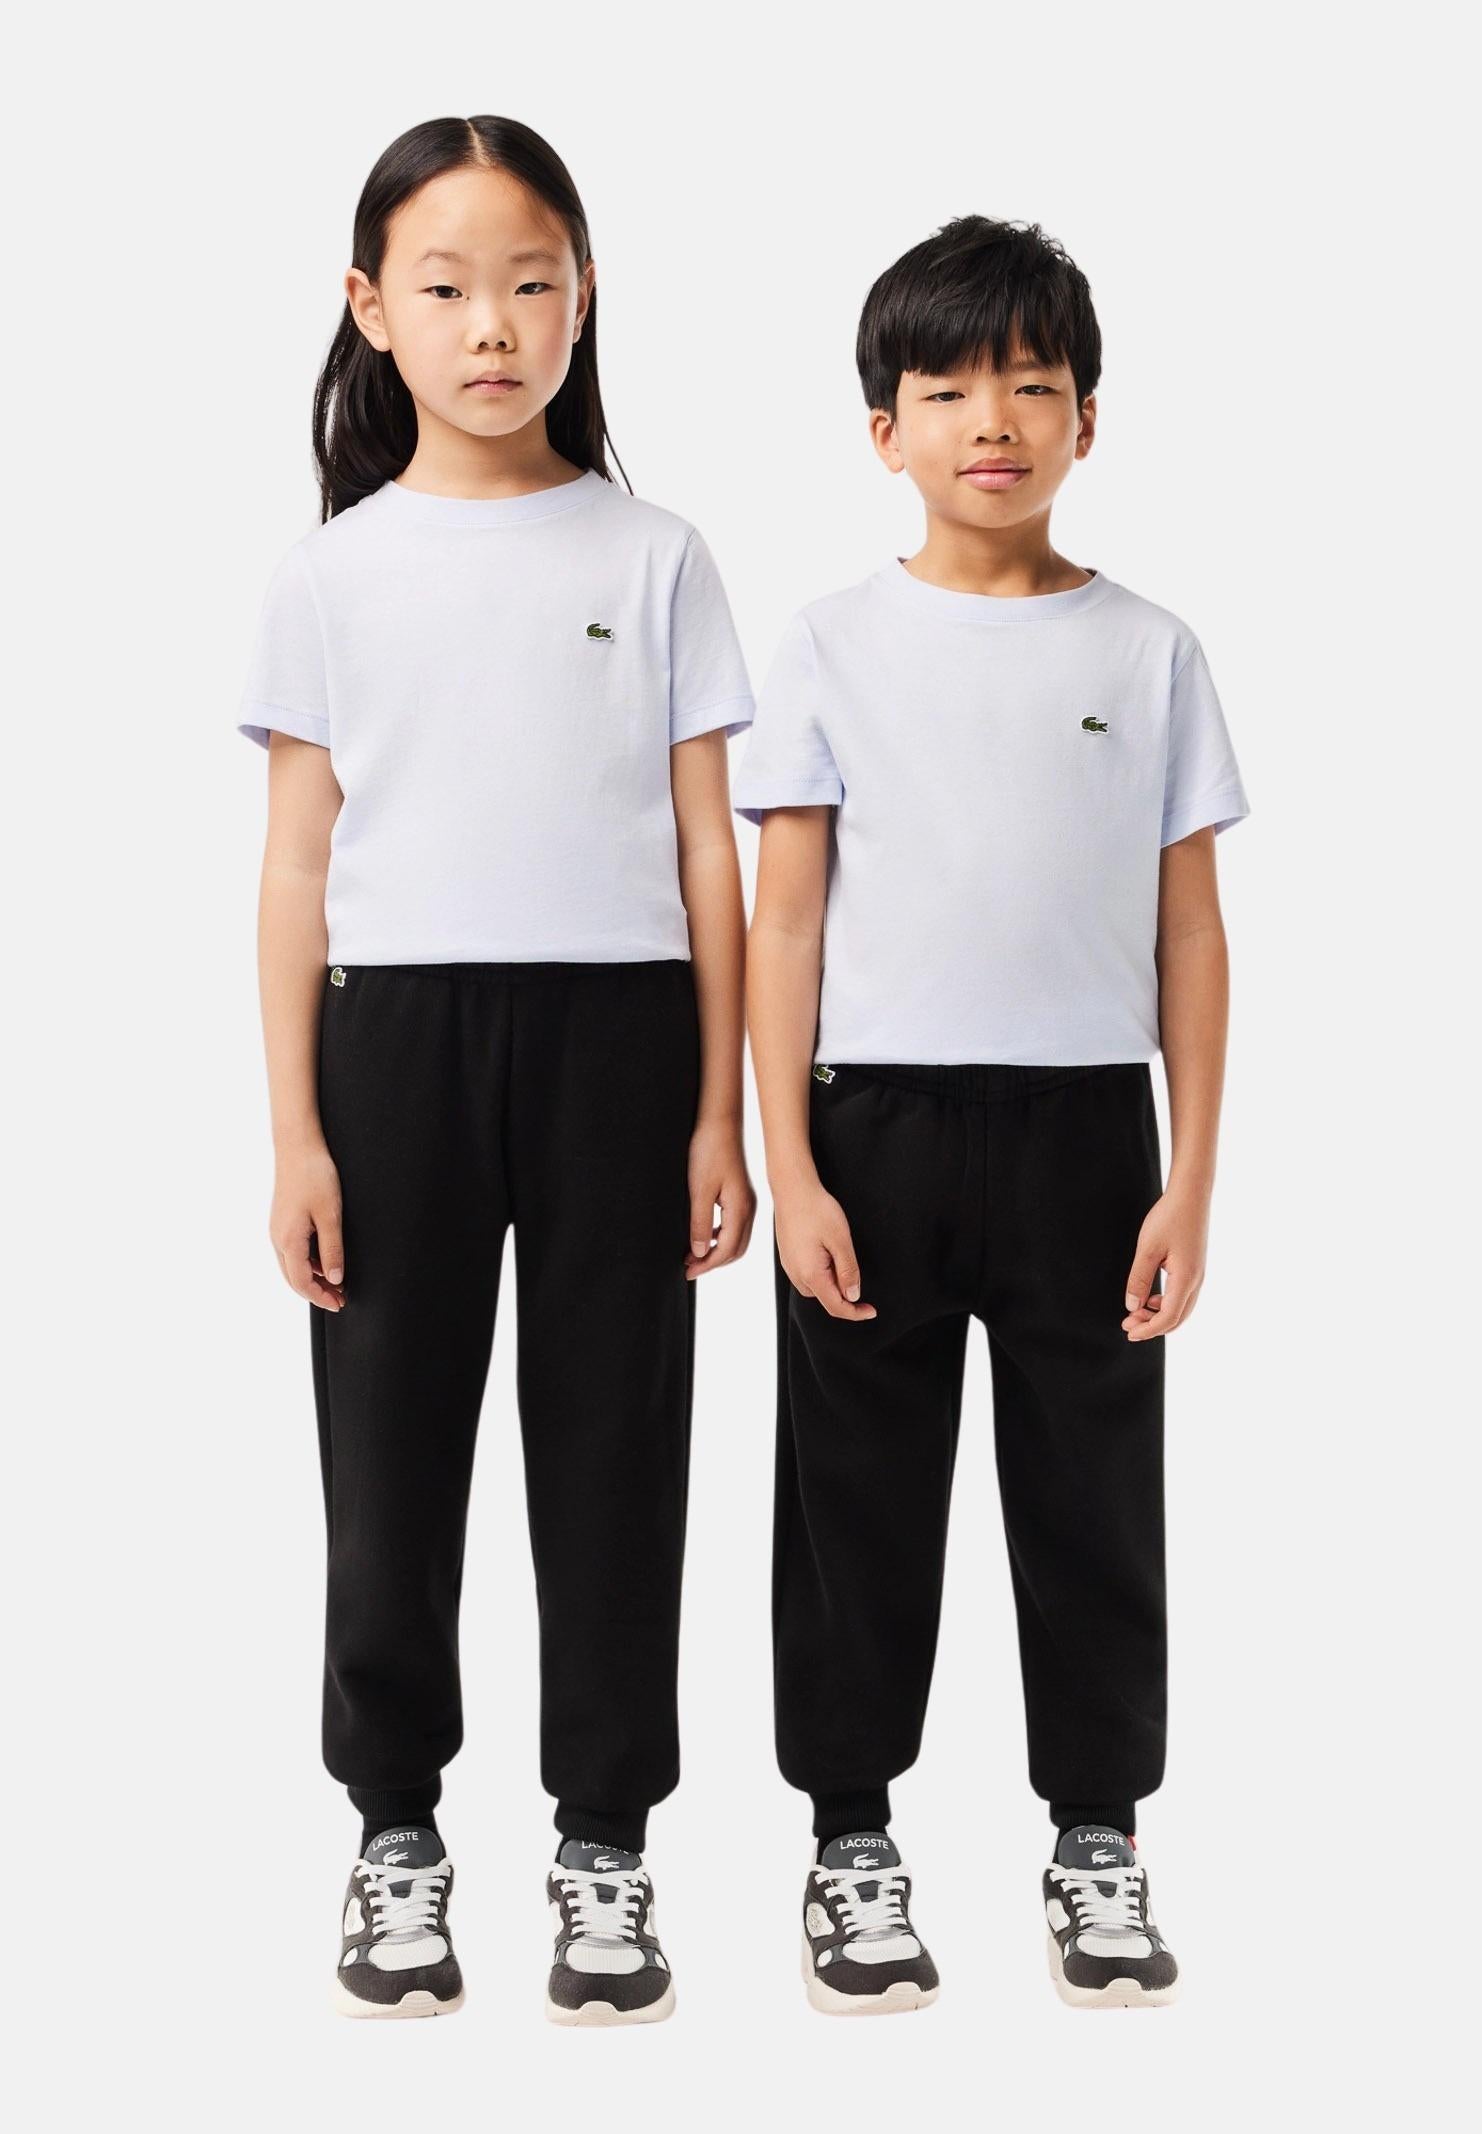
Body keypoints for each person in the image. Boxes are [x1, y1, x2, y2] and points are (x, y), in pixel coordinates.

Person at [236, 114, 756, 2024]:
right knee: (388, 1457)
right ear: (370, 307)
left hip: (620, 1039)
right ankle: (395, 1830)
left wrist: (716, 1107)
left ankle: (605, 1845)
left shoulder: (656, 551)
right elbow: (298, 867)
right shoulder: (333, 574)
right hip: (395, 1044)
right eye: (445, 287)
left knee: (614, 1451)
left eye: (530, 283)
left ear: (582, 295)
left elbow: (708, 848)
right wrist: (296, 1129)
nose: (491, 326)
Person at [736, 215, 1249, 2013]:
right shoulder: (827, 643)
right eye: (946, 389)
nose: (992, 422)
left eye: (1031, 385)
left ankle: (1096, 1834)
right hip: (870, 1127)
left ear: (1086, 418)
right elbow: (782, 922)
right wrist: (789, 1162)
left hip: (1086, 1134)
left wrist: (1190, 1175)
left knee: (1093, 1494)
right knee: (852, 1500)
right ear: (882, 428)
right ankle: (849, 1840)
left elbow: (1191, 929)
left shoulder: (1149, 649)